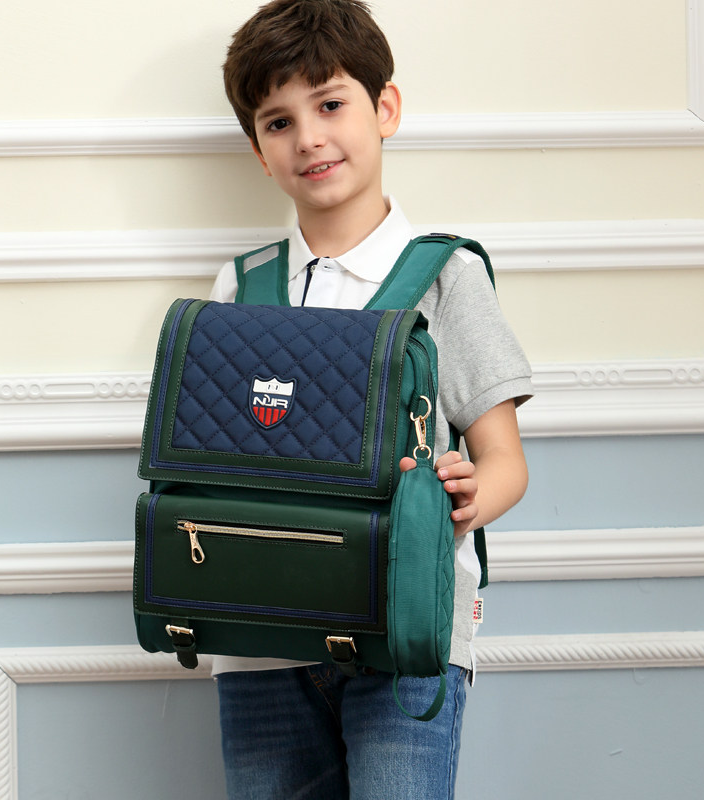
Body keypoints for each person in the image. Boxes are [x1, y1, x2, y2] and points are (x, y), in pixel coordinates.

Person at [208, 1, 533, 797]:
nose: (309, 138)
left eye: (330, 104)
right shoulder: (240, 287)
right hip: (260, 641)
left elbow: (505, 461)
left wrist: (468, 496)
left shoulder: (446, 276)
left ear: (385, 108)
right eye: (279, 122)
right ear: (258, 152)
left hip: (405, 633)